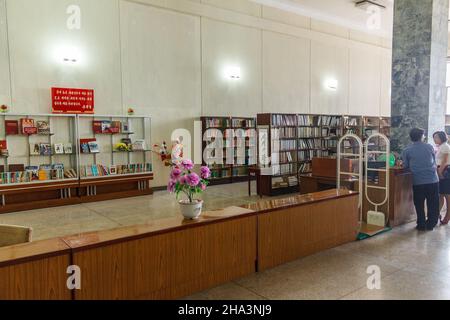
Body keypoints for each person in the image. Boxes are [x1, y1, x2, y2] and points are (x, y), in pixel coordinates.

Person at [402, 128, 440, 231]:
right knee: (433, 203)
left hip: (418, 181)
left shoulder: (407, 150)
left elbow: (405, 166)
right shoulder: (429, 147)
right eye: (423, 135)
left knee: (419, 203)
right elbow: (433, 160)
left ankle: (421, 224)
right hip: (432, 179)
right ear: (421, 136)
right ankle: (431, 224)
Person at [433, 131, 450, 225]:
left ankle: (448, 216)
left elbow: (444, 161)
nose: (435, 139)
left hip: (445, 171)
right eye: (434, 137)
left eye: (436, 137)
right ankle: (436, 214)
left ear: (442, 138)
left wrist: (439, 173)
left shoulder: (445, 146)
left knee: (447, 195)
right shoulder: (440, 146)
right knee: (441, 194)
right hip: (441, 170)